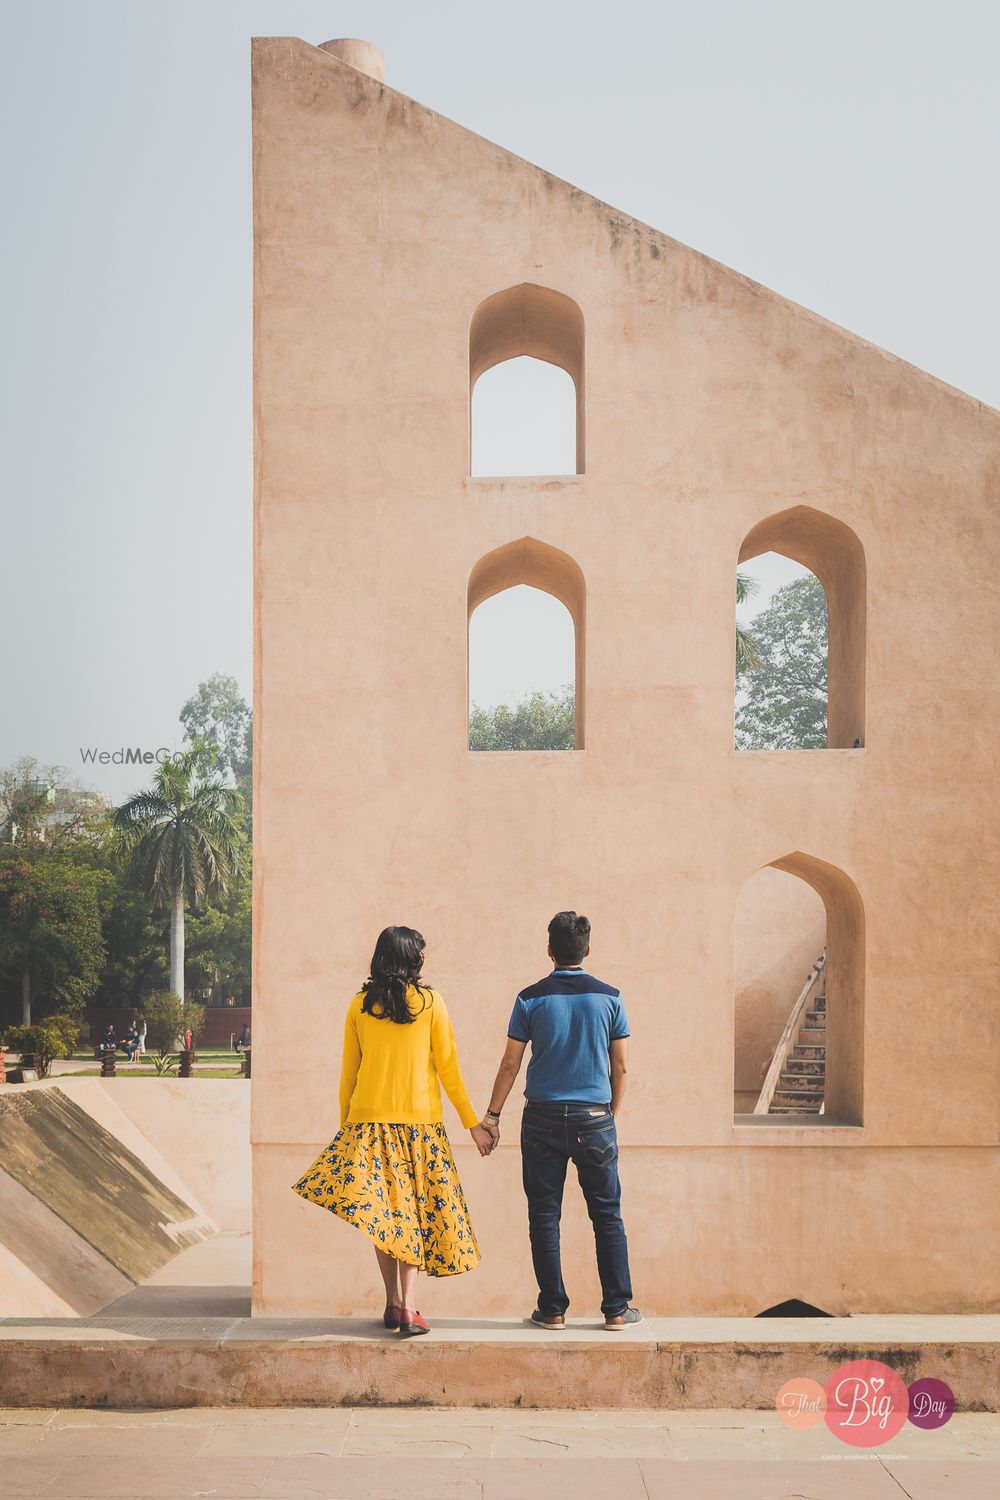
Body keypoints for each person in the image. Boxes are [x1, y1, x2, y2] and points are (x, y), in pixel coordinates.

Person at [291, 925, 495, 1336]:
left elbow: (348, 1074)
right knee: (415, 1216)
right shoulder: (432, 1003)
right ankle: (410, 1305)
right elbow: (449, 1071)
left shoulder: (359, 1005)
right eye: (421, 951)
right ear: (410, 958)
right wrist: (473, 1123)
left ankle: (392, 1302)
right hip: (420, 1127)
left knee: (384, 1218)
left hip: (367, 1125)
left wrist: (345, 1129)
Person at [483, 911, 641, 1330]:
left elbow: (509, 1064)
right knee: (607, 1214)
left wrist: (492, 1116)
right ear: (587, 950)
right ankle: (617, 1309)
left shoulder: (529, 998)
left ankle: (552, 1308)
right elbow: (620, 1068)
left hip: (542, 1119)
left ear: (549, 950)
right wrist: (609, 1116)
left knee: (544, 1215)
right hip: (595, 1118)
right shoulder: (611, 998)